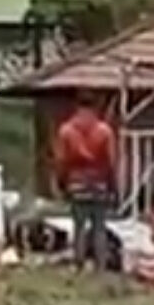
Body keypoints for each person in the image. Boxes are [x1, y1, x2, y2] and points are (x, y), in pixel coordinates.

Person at [53, 89, 117, 272]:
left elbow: (61, 160)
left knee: (79, 226)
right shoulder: (104, 131)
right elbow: (111, 161)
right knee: (99, 227)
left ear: (76, 105)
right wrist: (113, 185)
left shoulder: (66, 130)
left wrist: (61, 182)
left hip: (76, 183)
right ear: (95, 106)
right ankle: (100, 264)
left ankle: (79, 263)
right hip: (99, 183)